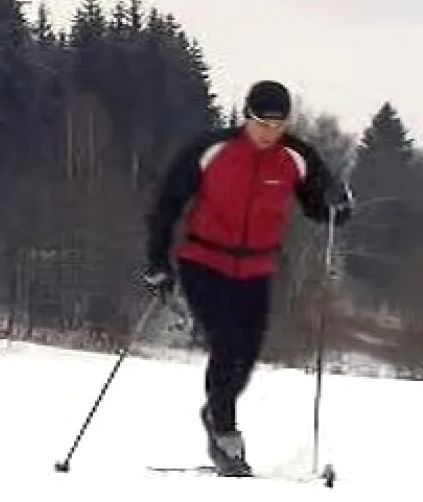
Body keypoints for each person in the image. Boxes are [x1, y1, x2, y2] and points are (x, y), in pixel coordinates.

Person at [142, 80, 353, 477]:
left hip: (256, 269)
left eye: (278, 125)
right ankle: (224, 430)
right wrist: (157, 262)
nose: (269, 132)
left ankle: (215, 409)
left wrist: (335, 207)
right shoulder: (212, 150)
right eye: (262, 123)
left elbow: (318, 205)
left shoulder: (296, 156)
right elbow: (166, 205)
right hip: (203, 261)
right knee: (227, 344)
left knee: (247, 354)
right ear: (246, 117)